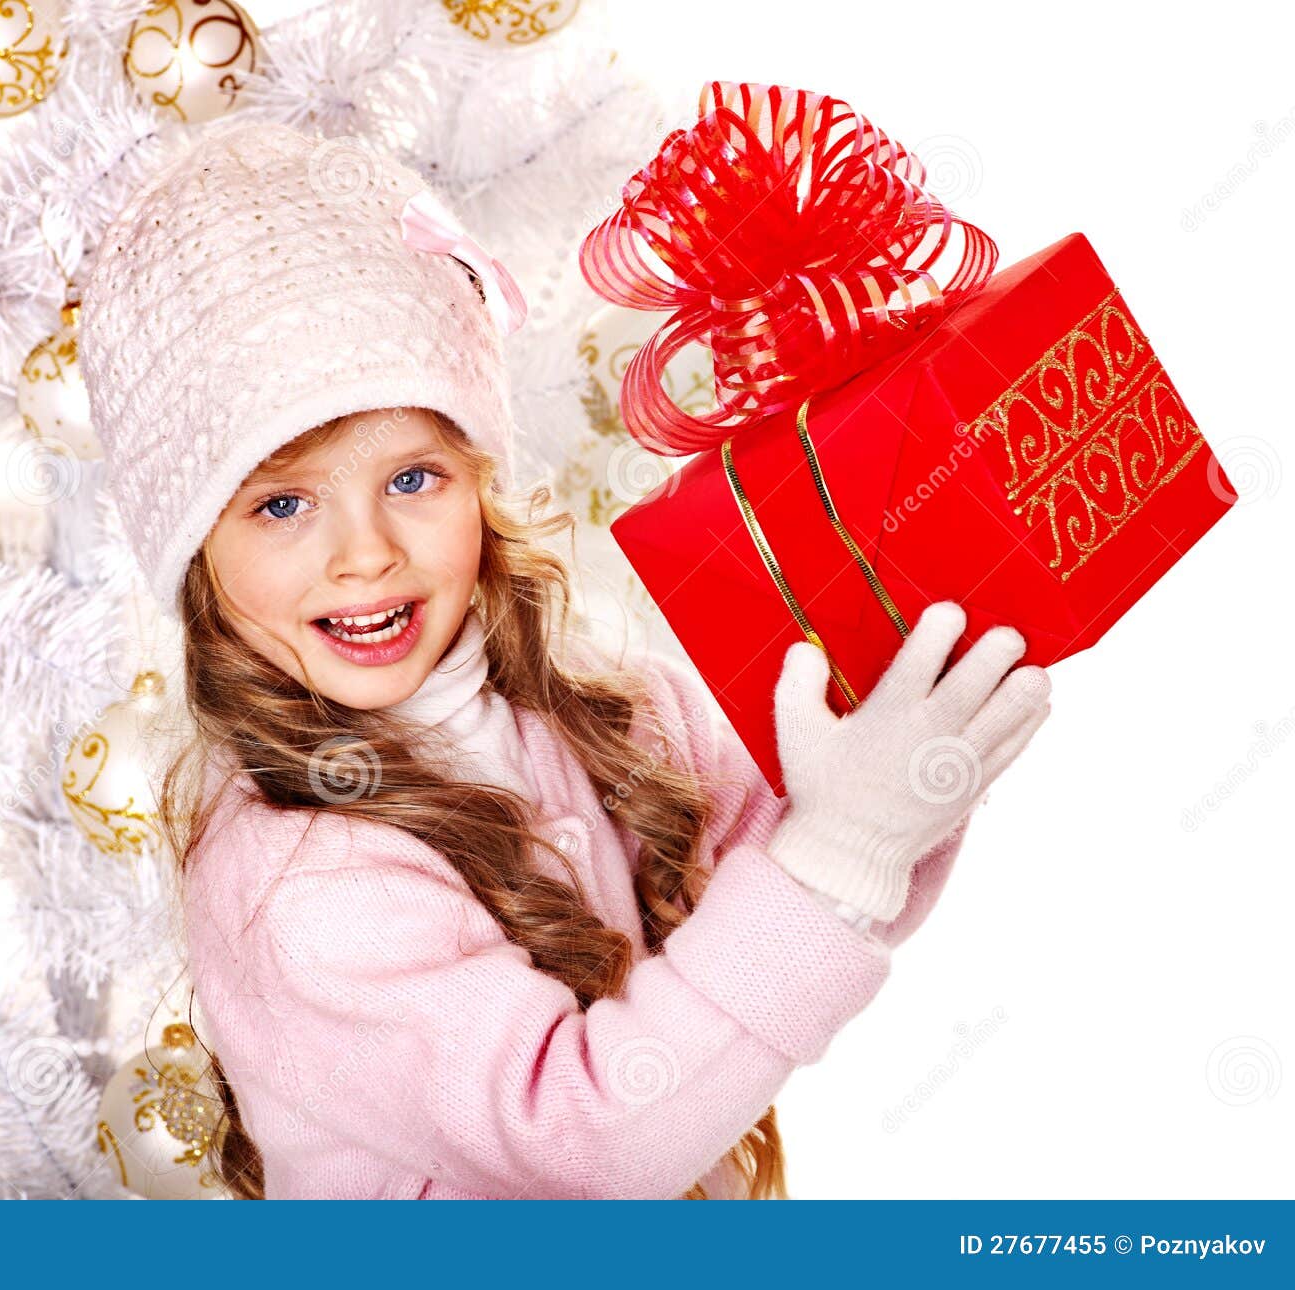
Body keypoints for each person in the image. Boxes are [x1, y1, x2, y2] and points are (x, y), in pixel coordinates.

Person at [79, 121, 1053, 1200]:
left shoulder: (614, 711)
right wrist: (840, 854)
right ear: (197, 559)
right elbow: (580, 1142)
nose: (365, 554)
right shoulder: (295, 880)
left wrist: (901, 757)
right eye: (282, 504)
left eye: (413, 479)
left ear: (479, 482)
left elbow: (810, 873)